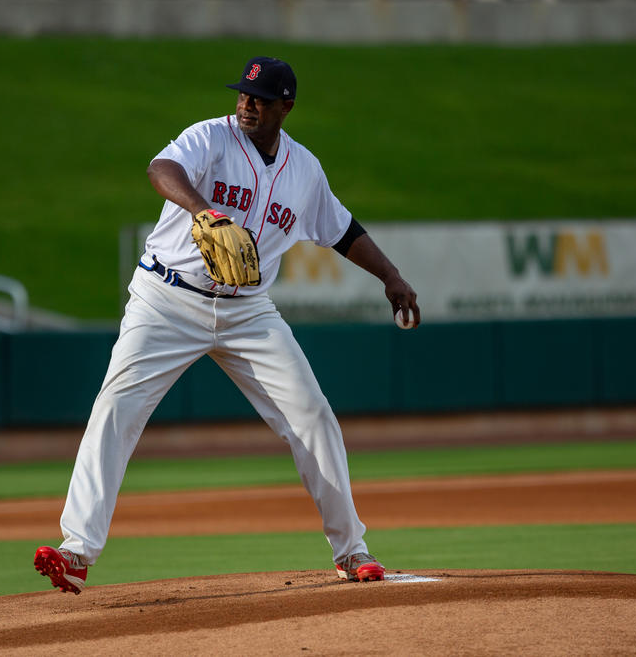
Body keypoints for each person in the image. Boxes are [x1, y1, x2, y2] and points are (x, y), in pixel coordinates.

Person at [34, 56, 420, 594]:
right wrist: (202, 211)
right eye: (243, 93)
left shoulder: (303, 170)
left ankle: (352, 550)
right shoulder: (210, 138)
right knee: (115, 407)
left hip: (248, 312)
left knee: (312, 415)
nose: (246, 103)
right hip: (166, 299)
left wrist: (391, 276)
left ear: (285, 107)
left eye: (260, 98)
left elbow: (341, 229)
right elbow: (160, 170)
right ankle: (76, 549)